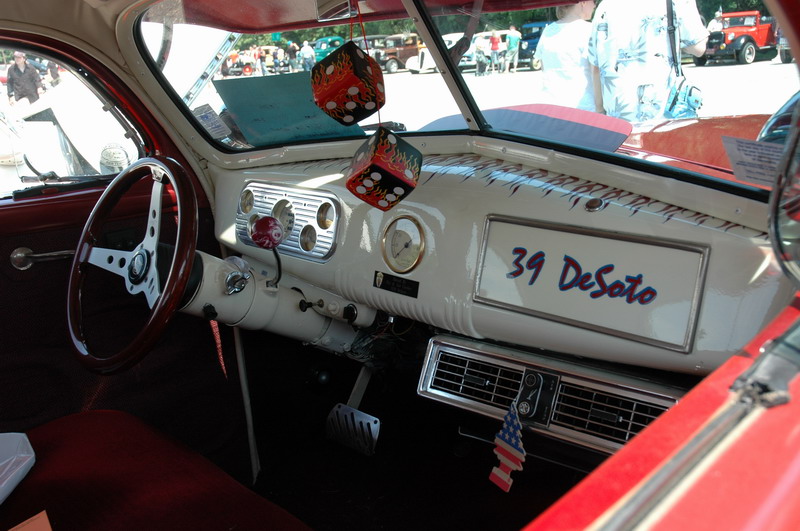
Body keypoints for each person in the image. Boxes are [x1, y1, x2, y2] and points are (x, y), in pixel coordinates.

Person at [588, 0, 708, 122]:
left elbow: (596, 66)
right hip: (664, 116)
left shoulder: (604, 7)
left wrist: (600, 111)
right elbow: (698, 48)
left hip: (618, 120)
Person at [533, 1, 596, 110]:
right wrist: (600, 108)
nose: (595, 5)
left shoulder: (548, 31)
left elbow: (544, 68)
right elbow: (596, 72)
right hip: (583, 107)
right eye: (594, 1)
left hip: (551, 105)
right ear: (583, 2)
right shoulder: (589, 30)